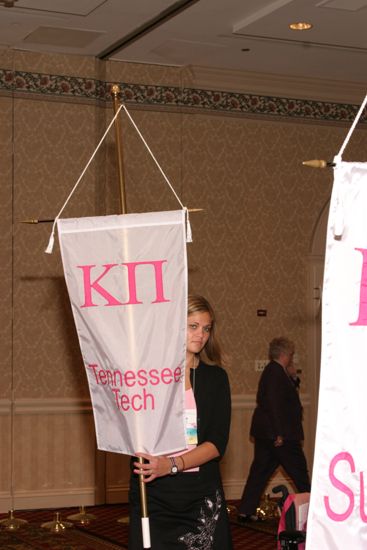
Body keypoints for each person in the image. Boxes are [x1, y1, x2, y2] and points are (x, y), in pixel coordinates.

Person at [128, 294, 233, 549]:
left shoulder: (215, 378)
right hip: (156, 493)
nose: (201, 335)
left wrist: (172, 465)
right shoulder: (148, 376)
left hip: (201, 493)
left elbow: (217, 443)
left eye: (206, 328)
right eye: (193, 327)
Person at [238, 336, 310, 522]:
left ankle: (246, 509)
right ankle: (315, 509)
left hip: (267, 433)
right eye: (291, 354)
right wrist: (279, 433)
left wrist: (293, 378)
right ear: (285, 354)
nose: (292, 358)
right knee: (299, 471)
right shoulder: (275, 372)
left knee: (260, 471)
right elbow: (274, 404)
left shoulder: (275, 371)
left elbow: (281, 399)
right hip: (280, 435)